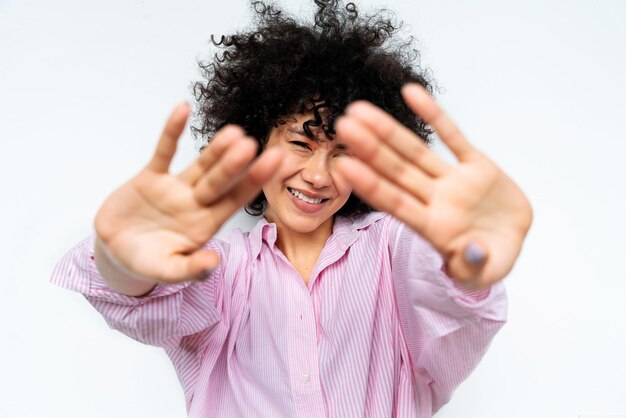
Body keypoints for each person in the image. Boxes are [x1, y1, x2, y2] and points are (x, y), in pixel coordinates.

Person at [51, 1, 532, 417]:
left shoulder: (392, 248)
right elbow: (145, 299)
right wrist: (123, 259)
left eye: (343, 152)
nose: (319, 175)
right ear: (260, 140)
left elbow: (451, 292)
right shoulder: (223, 270)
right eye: (301, 142)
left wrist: (470, 257)